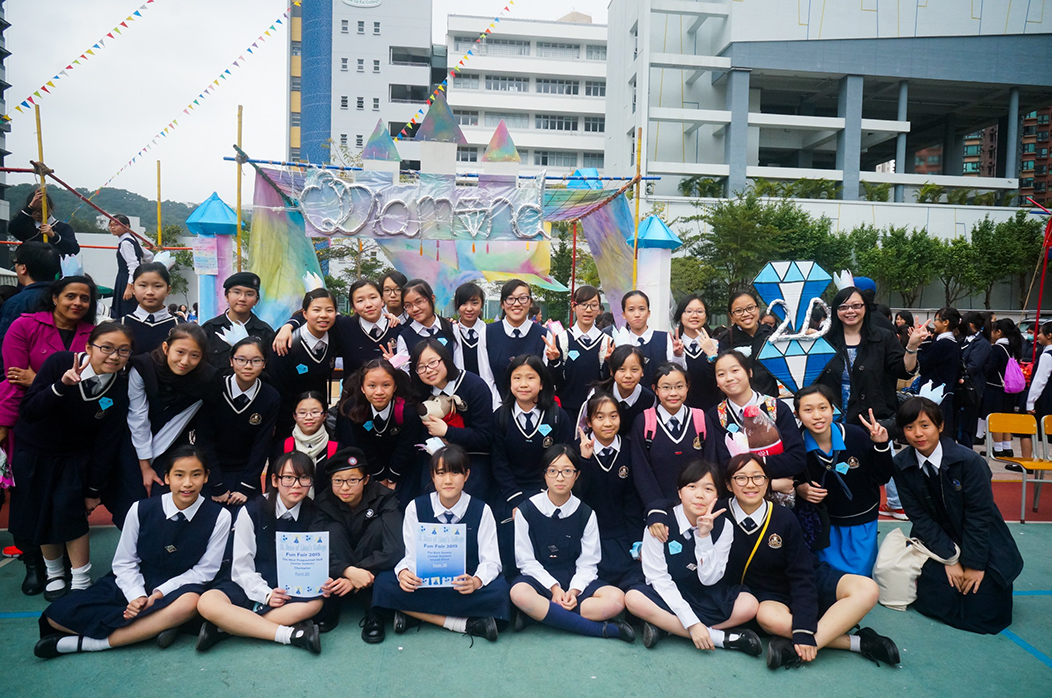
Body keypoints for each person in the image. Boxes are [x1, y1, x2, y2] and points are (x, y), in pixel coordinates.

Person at [35, 445, 231, 658]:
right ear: (166, 477)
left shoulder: (220, 516)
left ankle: (90, 644)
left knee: (189, 604)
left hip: (180, 586)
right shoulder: (141, 509)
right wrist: (136, 596)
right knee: (56, 615)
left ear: (206, 477)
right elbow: (124, 562)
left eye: (196, 475)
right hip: (134, 581)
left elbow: (204, 571)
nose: (187, 483)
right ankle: (158, 626)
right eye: (179, 475)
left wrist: (159, 593)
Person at [721, 454, 901, 670]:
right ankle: (858, 642)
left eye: (758, 477)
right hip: (768, 593)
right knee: (768, 618)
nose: (750, 484)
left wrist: (804, 630)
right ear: (728, 484)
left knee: (867, 589)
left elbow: (801, 575)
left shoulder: (784, 517)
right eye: (741, 478)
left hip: (807, 577)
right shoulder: (718, 515)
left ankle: (798, 644)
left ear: (768, 482)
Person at [8, 323, 132, 602]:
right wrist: (61, 385)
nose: (114, 356)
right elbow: (29, 411)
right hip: (36, 453)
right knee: (41, 514)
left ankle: (80, 578)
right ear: (89, 347)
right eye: (106, 348)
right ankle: (54, 573)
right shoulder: (60, 363)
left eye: (123, 351)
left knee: (71, 514)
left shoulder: (119, 387)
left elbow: (107, 442)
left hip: (74, 457)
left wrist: (94, 489)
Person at [893, 397, 1023, 634]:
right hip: (939, 540)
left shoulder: (969, 461)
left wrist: (973, 564)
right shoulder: (901, 464)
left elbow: (980, 516)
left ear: (940, 426)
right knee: (938, 595)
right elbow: (919, 517)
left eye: (925, 425)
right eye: (909, 427)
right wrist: (950, 558)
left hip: (981, 540)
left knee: (985, 611)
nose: (918, 433)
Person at [1, 276, 97, 596]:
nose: (77, 303)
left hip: (74, 432)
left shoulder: (93, 335)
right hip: (30, 425)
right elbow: (14, 379)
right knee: (30, 500)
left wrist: (39, 378)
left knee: (67, 502)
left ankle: (70, 569)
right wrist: (6, 422)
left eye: (84, 298)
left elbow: (94, 384)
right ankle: (35, 564)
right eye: (70, 296)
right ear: (54, 297)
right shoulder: (25, 326)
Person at [195, 452, 334, 654]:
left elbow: (316, 561)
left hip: (287, 589)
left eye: (304, 478)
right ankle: (291, 635)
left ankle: (226, 628)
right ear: (275, 480)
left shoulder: (314, 513)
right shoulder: (252, 510)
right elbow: (241, 567)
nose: (296, 485)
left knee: (314, 603)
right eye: (288, 478)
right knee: (207, 602)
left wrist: (321, 581)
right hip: (247, 582)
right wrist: (265, 594)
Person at [371, 445, 510, 642]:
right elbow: (410, 554)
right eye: (441, 473)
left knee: (500, 592)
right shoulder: (416, 507)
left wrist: (476, 581)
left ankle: (414, 615)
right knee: (384, 583)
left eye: (455, 473)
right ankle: (465, 623)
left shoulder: (482, 510)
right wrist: (404, 573)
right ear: (433, 476)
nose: (448, 480)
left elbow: (491, 560)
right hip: (425, 582)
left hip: (463, 583)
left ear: (467, 475)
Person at [624, 460, 762, 655]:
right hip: (667, 592)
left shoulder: (724, 526)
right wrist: (693, 624)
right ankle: (718, 637)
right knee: (634, 599)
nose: (699, 495)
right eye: (692, 487)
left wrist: (704, 537)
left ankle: (668, 628)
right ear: (679, 492)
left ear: (717, 496)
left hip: (703, 592)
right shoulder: (660, 524)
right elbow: (659, 578)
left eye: (708, 489)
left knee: (749, 604)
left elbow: (709, 579)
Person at [509, 445, 634, 642]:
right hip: (539, 580)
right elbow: (526, 561)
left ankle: (539, 614)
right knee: (519, 593)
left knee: (616, 600)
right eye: (553, 471)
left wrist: (573, 591)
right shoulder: (527, 510)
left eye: (567, 471)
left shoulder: (586, 513)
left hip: (574, 578)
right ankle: (602, 630)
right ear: (544, 474)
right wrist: (554, 588)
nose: (560, 478)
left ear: (577, 475)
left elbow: (588, 563)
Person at [794, 385, 894, 576]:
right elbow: (790, 478)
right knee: (827, 580)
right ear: (797, 415)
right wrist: (799, 488)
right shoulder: (796, 444)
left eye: (823, 408)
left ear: (833, 409)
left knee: (862, 578)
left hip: (861, 521)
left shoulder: (856, 435)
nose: (817, 416)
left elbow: (882, 476)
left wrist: (881, 446)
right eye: (808, 410)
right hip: (822, 525)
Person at [314, 447, 404, 643]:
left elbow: (395, 548)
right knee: (332, 530)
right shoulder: (323, 501)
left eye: (353, 480)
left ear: (366, 479)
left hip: (372, 564)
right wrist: (348, 571)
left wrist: (354, 575)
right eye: (338, 481)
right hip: (343, 562)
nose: (345, 487)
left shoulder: (384, 497)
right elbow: (315, 550)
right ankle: (336, 603)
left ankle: (373, 611)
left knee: (378, 527)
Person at [631, 363, 721, 541]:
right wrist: (655, 508)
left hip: (697, 507)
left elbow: (711, 464)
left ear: (688, 387)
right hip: (660, 512)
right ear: (655, 389)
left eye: (679, 386)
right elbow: (641, 471)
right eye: (666, 387)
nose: (673, 393)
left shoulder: (700, 420)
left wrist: (704, 501)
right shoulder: (644, 423)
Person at [128, 324, 218, 499]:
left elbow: (180, 422)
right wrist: (145, 465)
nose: (185, 361)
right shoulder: (144, 367)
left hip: (172, 442)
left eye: (194, 355)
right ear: (166, 348)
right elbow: (138, 416)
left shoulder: (207, 380)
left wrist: (152, 462)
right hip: (133, 439)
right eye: (180, 352)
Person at [816, 286, 920, 427]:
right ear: (836, 310)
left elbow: (903, 371)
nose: (850, 311)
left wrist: (912, 347)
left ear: (865, 308)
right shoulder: (824, 341)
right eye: (843, 307)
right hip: (831, 420)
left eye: (856, 306)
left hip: (872, 421)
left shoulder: (884, 338)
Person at [195, 337, 280, 506]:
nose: (248, 366)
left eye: (256, 361)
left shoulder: (270, 396)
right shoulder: (214, 389)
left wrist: (246, 487)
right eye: (241, 359)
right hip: (212, 471)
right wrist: (216, 485)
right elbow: (204, 441)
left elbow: (262, 445)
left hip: (247, 474)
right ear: (231, 361)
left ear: (264, 364)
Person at [574, 393, 645, 589]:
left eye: (613, 416)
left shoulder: (629, 448)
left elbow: (632, 500)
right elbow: (576, 497)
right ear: (589, 421)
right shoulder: (574, 451)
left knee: (634, 582)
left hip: (620, 533)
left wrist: (637, 540)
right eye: (600, 417)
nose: (607, 423)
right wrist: (585, 460)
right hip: (587, 535)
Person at [411, 338, 494, 502]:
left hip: (472, 459)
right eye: (421, 367)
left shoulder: (474, 386)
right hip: (435, 460)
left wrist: (447, 432)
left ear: (445, 358)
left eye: (433, 362)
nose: (428, 370)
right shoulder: (421, 391)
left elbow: (485, 437)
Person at [274, 278, 401, 380]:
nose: (368, 304)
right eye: (360, 300)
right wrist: (288, 326)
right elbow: (313, 315)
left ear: (382, 301)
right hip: (353, 399)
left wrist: (395, 364)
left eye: (373, 298)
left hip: (388, 396)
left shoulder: (397, 328)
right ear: (353, 307)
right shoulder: (343, 325)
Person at [491, 355, 572, 514]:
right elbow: (499, 464)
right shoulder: (500, 417)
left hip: (548, 493)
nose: (523, 384)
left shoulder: (557, 416)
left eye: (530, 378)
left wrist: (545, 496)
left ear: (542, 384)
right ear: (509, 383)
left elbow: (563, 460)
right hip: (509, 494)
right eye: (517, 378)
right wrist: (516, 500)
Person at [707, 350, 806, 480]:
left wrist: (750, 468)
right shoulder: (716, 416)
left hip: (781, 489)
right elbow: (722, 465)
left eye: (735, 370)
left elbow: (796, 459)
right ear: (716, 382)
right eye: (721, 374)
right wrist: (770, 483)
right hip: (741, 490)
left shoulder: (776, 408)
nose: (729, 378)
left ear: (750, 372)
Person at [265, 289, 338, 464]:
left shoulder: (335, 336)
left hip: (317, 417)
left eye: (329, 310)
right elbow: (276, 387)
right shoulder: (286, 342)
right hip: (287, 420)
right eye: (316, 310)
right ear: (304, 313)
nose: (323, 315)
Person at [334, 359, 421, 498]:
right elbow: (362, 445)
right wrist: (380, 476)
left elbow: (405, 446)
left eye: (386, 385)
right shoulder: (354, 409)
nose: (379, 392)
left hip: (401, 462)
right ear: (362, 388)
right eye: (372, 386)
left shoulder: (407, 411)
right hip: (371, 462)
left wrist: (392, 476)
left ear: (395, 387)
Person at [544, 285, 614, 419]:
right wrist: (554, 361)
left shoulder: (607, 342)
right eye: (583, 304)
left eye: (593, 305)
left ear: (599, 309)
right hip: (566, 411)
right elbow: (553, 380)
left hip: (597, 411)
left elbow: (607, 382)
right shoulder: (562, 340)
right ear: (573, 306)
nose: (588, 310)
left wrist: (609, 363)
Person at [484, 279, 550, 399]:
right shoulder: (487, 333)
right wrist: (498, 406)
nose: (517, 304)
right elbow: (486, 376)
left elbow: (544, 378)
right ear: (502, 304)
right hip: (496, 405)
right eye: (510, 299)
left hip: (533, 404)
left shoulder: (543, 335)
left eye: (522, 298)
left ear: (530, 302)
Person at [200, 272, 276, 371]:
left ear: (256, 300)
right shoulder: (209, 329)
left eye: (249, 294)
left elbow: (271, 369)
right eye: (237, 292)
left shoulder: (265, 332)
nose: (242, 298)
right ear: (226, 296)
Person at [577, 345, 655, 437]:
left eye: (634, 370)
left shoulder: (649, 399)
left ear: (642, 371)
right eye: (622, 369)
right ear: (611, 371)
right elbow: (583, 427)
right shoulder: (598, 393)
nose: (628, 375)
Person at [0, 241, 62, 349]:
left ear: (23, 268)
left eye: (15, 262)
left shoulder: (17, 303)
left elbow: (6, 344)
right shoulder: (66, 299)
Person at [619, 290, 685, 388]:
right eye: (631, 309)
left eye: (642, 309)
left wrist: (678, 356)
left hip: (660, 395)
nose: (637, 314)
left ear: (648, 313)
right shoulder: (620, 341)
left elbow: (678, 372)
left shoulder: (664, 338)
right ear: (624, 314)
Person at [716, 292, 778, 398]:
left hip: (769, 401)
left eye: (750, 308)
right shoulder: (724, 340)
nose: (745, 314)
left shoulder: (772, 336)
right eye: (738, 311)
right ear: (731, 316)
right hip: (737, 401)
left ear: (758, 308)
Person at [917, 307, 962, 435]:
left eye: (936, 319)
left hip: (935, 396)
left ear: (946, 322)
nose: (934, 323)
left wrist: (922, 344)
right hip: (945, 394)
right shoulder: (953, 343)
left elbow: (924, 365)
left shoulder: (943, 344)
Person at [282, 391, 339, 492]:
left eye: (315, 412)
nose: (308, 417)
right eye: (302, 413)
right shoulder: (284, 447)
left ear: (325, 415)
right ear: (294, 416)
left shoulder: (336, 449)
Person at [984, 319, 1024, 458]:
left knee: (996, 418)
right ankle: (1007, 447)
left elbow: (990, 368)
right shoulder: (1014, 347)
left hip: (996, 387)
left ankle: (998, 448)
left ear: (999, 332)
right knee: (1006, 417)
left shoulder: (997, 348)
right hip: (1009, 389)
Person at [674, 294, 721, 411]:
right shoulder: (671, 346)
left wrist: (712, 357)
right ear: (680, 316)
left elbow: (719, 382)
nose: (694, 315)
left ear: (706, 316)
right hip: (679, 411)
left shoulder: (717, 345)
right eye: (689, 311)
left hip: (712, 411)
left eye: (699, 311)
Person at [121, 262, 178, 356]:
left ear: (168, 290)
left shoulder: (180, 327)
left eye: (157, 286)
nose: (150, 292)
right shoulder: (121, 325)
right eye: (143, 285)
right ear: (133, 289)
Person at [394, 279, 457, 357]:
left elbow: (459, 361)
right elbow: (404, 365)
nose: (415, 309)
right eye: (408, 305)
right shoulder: (405, 337)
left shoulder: (452, 328)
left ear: (432, 299)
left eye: (419, 302)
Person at [10, 187, 80, 257]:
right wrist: (30, 207)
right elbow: (12, 228)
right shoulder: (26, 226)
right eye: (34, 210)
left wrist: (54, 236)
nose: (38, 213)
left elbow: (74, 249)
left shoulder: (63, 228)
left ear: (50, 207)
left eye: (41, 210)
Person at [957, 312, 991, 448]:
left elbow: (974, 366)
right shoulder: (963, 340)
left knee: (966, 428)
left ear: (970, 325)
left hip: (971, 390)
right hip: (960, 388)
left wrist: (958, 370)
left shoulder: (982, 344)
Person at [451, 282, 491, 384]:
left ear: (482, 304)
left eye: (474, 303)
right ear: (457, 305)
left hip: (484, 387)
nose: (469, 309)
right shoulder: (451, 332)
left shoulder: (489, 333)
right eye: (464, 303)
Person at [109, 215, 147, 320]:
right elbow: (149, 256)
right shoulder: (131, 239)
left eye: (116, 225)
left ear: (126, 226)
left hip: (126, 279)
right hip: (128, 279)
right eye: (111, 225)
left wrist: (129, 287)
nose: (113, 227)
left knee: (126, 310)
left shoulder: (126, 243)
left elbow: (133, 265)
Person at [1027, 321, 1052, 422]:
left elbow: (1040, 381)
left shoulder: (1047, 356)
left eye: (1040, 333)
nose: (1038, 336)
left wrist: (1030, 402)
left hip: (1046, 397)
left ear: (1049, 335)